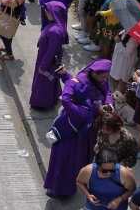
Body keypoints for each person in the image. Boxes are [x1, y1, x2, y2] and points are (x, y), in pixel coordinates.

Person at [44, 59, 114, 198]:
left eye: (106, 76)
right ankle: (58, 189)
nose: (105, 79)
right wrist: (84, 113)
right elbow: (66, 99)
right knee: (64, 160)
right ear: (94, 73)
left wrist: (109, 104)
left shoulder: (101, 82)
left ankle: (76, 183)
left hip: (89, 131)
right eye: (103, 76)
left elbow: (108, 93)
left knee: (81, 159)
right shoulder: (79, 82)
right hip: (72, 129)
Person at [30, 1, 69, 110]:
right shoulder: (56, 26)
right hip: (48, 60)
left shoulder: (54, 31)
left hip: (46, 61)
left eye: (48, 10)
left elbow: (51, 51)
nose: (45, 12)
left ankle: (42, 104)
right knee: (50, 81)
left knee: (43, 82)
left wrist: (43, 66)